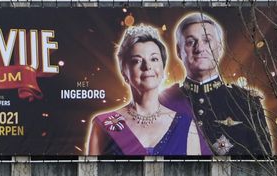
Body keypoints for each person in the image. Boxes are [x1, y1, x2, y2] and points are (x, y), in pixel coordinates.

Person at [160, 12, 273, 157]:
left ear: (220, 47)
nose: (200, 48)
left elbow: (264, 162)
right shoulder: (164, 103)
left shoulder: (246, 102)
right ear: (178, 50)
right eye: (190, 42)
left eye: (207, 40)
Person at [88, 24, 208, 156]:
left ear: (163, 69)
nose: (147, 66)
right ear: (124, 71)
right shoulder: (104, 124)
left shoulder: (186, 126)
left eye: (154, 59)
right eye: (137, 61)